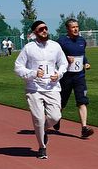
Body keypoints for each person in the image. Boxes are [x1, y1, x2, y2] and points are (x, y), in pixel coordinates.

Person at [14, 20, 68, 159]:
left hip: (52, 87)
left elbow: (63, 63)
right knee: (38, 118)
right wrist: (32, 73)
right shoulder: (28, 48)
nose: (44, 31)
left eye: (45, 28)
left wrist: (59, 74)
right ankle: (42, 148)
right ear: (35, 33)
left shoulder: (55, 46)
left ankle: (43, 130)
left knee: (55, 117)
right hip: (34, 88)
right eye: (40, 29)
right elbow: (18, 67)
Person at [54, 19, 94, 138]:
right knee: (62, 103)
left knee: (82, 101)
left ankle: (84, 128)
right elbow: (54, 56)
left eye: (77, 27)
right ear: (68, 29)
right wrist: (65, 58)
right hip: (66, 78)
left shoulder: (82, 40)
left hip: (79, 77)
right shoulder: (61, 41)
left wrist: (86, 62)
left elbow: (82, 54)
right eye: (73, 27)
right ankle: (56, 119)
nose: (76, 29)